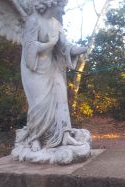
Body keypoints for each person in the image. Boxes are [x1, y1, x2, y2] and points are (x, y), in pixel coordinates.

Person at [17, 0, 87, 152]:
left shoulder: (56, 24)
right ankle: (35, 138)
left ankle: (65, 135)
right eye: (61, 7)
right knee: (39, 104)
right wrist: (50, 44)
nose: (63, 12)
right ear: (51, 5)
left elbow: (64, 46)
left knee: (61, 100)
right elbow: (30, 48)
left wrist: (79, 50)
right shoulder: (33, 21)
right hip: (34, 69)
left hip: (52, 67)